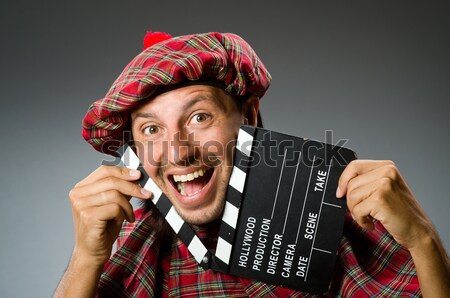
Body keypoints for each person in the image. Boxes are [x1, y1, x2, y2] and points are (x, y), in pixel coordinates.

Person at [55, 32, 450, 297]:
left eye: (199, 118)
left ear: (249, 116)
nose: (177, 153)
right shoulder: (134, 247)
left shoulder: (335, 222)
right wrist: (85, 260)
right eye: (152, 129)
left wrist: (424, 241)